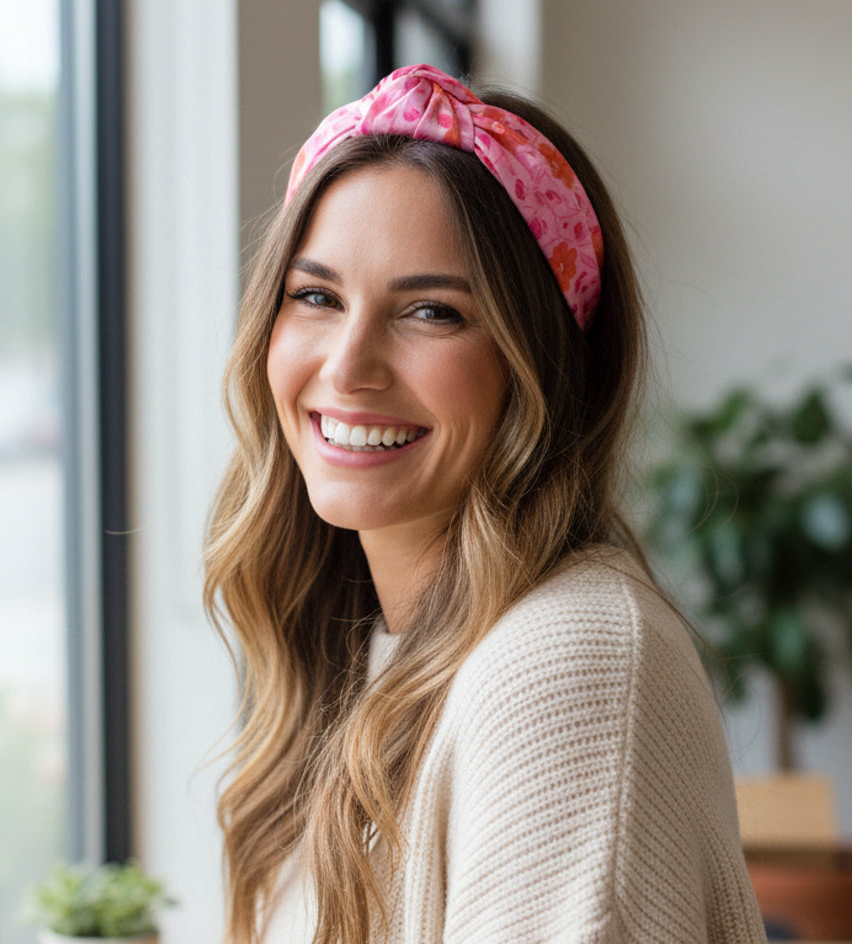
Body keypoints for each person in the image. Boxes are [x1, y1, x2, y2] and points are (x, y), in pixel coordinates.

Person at [204, 64, 765, 944]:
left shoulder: (569, 670)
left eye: (431, 312)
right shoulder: (366, 652)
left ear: (537, 363)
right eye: (315, 297)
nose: (348, 367)